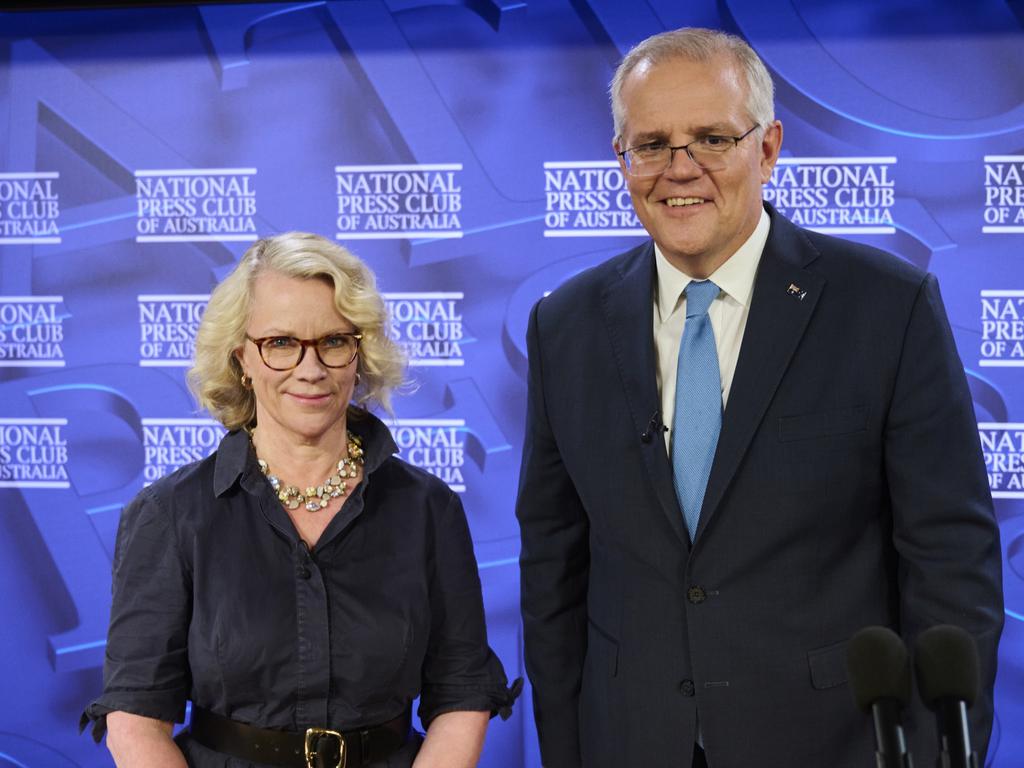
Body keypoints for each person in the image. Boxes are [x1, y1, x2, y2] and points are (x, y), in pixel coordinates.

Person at [516, 27, 1003, 768]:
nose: (680, 170)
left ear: (768, 148)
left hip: (834, 742)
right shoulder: (565, 324)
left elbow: (950, 559)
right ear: (621, 157)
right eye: (651, 145)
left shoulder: (886, 306)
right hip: (630, 740)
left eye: (712, 138)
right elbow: (553, 569)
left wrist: (937, 752)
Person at [82, 232, 518, 767]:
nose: (310, 369)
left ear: (360, 353)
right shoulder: (172, 514)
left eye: (333, 341)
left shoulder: (426, 509)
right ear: (242, 356)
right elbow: (136, 716)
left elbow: (461, 693)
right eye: (281, 343)